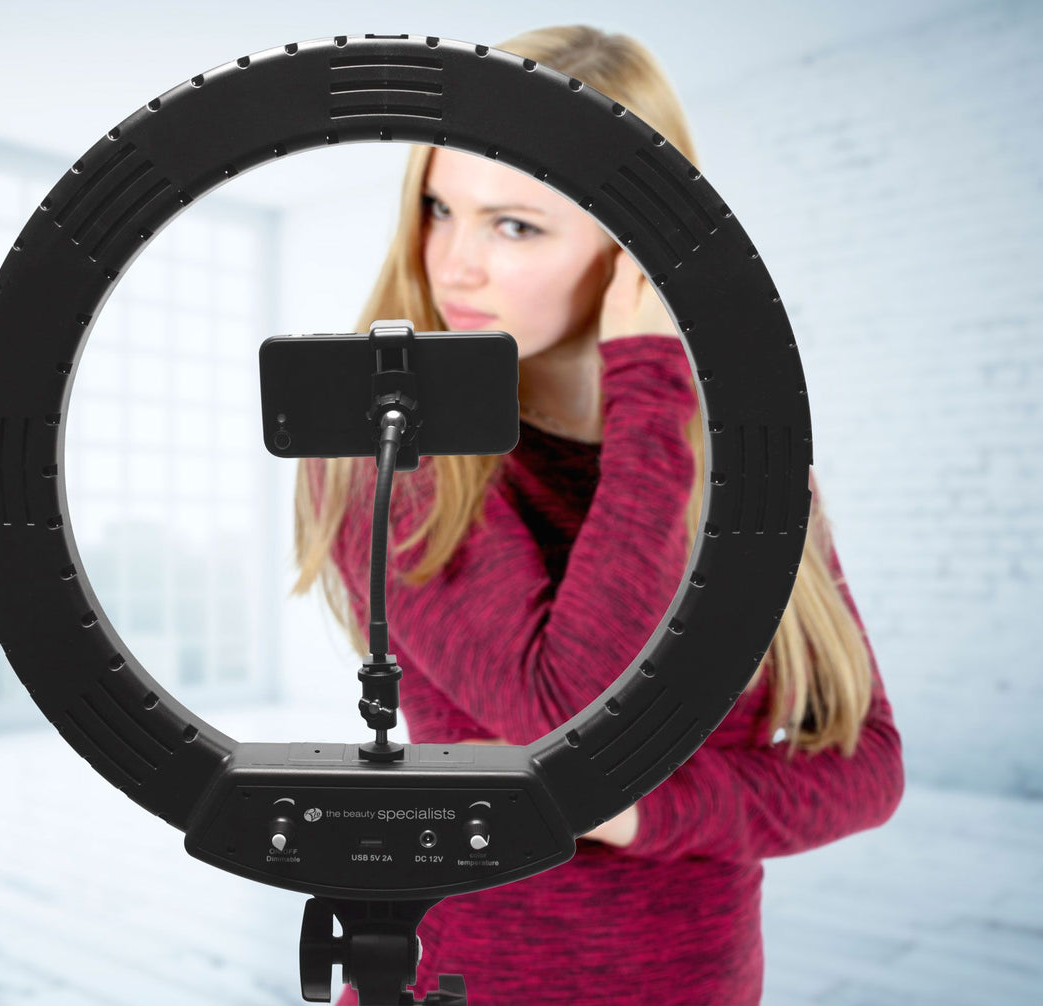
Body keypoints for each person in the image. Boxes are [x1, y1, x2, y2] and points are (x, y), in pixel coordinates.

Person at [291, 24, 904, 1006]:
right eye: (439, 208)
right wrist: (654, 395)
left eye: (514, 226)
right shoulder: (393, 450)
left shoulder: (741, 462)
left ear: (640, 246)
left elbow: (868, 765)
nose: (451, 264)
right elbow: (572, 713)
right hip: (464, 982)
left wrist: (657, 810)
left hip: (698, 984)